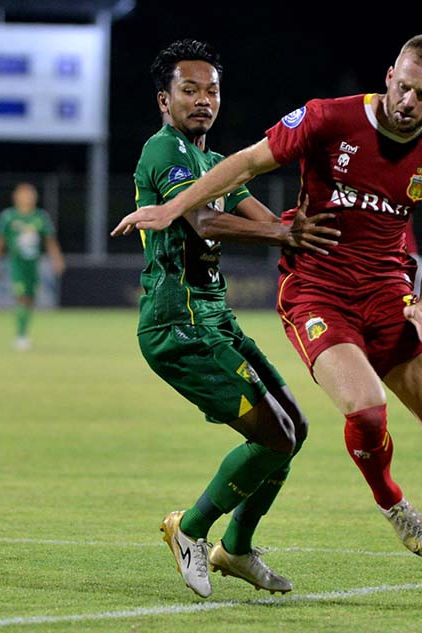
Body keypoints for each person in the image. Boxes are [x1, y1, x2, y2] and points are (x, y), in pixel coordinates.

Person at [112, 35, 422, 616]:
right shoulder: (320, 120)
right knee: (326, 422)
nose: (409, 101)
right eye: (404, 87)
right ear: (389, 76)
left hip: (377, 297)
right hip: (260, 304)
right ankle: (209, 526)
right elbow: (235, 183)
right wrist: (177, 210)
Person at [116, 39, 337, 599]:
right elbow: (203, 221)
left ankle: (235, 549)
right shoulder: (162, 150)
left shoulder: (216, 165)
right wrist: (282, 232)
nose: (203, 100)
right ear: (164, 100)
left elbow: (274, 224)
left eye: (211, 91)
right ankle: (189, 529)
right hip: (176, 323)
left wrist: (312, 227)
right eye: (189, 90)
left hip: (214, 317)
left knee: (293, 429)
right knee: (274, 437)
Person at [0, 183, 65, 351]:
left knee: (29, 299)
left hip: (33, 265)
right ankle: (21, 336)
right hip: (16, 264)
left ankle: (23, 333)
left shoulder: (40, 217)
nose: (28, 198)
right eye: (24, 194)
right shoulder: (8, 217)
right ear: (16, 197)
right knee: (21, 297)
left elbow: (50, 240)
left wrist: (57, 259)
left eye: (31, 194)